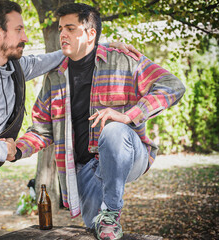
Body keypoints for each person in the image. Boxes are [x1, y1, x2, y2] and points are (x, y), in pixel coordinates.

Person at [0, 0, 135, 239]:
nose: (26, 37)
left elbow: (60, 56)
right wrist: (5, 149)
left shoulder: (14, 67)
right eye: (19, 29)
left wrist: (100, 45)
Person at [15, 3, 186, 240]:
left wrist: (130, 115)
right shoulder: (55, 76)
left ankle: (111, 211)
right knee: (99, 234)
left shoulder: (124, 61)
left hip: (129, 154)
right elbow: (42, 129)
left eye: (71, 28)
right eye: (60, 28)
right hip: (84, 169)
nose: (62, 34)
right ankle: (106, 219)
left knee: (114, 129)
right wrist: (15, 150)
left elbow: (173, 86)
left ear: (90, 33)